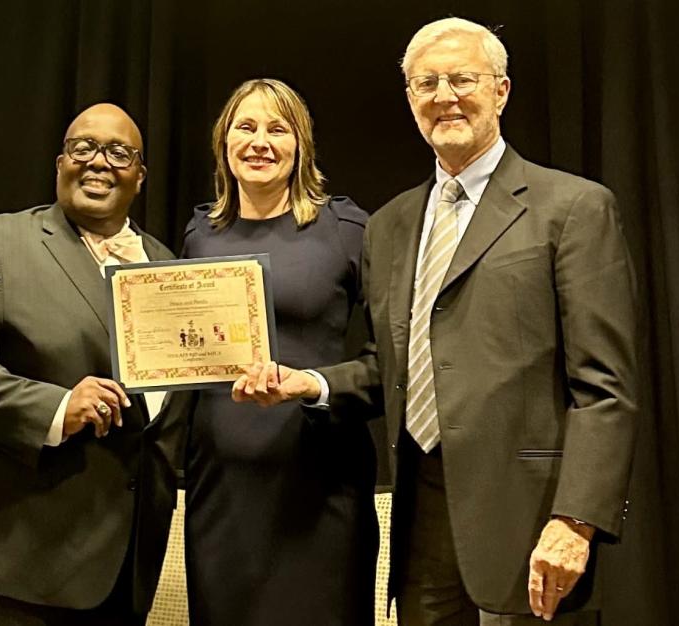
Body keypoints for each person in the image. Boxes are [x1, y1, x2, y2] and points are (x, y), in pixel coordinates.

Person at [233, 18, 638, 625]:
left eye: (462, 79)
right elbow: (389, 367)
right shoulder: (391, 225)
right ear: (410, 100)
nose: (444, 95)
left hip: (532, 521)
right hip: (419, 517)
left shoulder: (573, 209)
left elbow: (604, 387)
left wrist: (576, 519)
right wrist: (310, 384)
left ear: (501, 90)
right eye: (427, 83)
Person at [0, 103, 187, 626]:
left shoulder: (169, 267)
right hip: (9, 568)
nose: (98, 162)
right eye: (83, 148)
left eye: (118, 152)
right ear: (60, 163)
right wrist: (58, 407)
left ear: (140, 176)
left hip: (122, 573)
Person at [181, 78, 377, 625]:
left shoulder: (347, 228)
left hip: (319, 483)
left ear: (302, 145)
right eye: (245, 127)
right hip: (222, 486)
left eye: (278, 128)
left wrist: (312, 384)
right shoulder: (201, 234)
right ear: (224, 143)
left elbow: (394, 361)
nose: (260, 141)